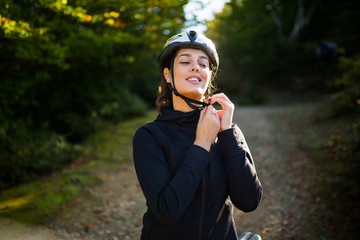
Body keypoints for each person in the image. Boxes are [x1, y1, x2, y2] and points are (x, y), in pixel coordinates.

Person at [133, 30, 263, 240]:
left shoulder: (227, 131)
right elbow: (167, 211)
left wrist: (228, 132)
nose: (196, 67)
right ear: (168, 75)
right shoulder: (150, 136)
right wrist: (202, 143)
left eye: (203, 64)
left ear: (209, 75)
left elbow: (249, 201)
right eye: (185, 62)